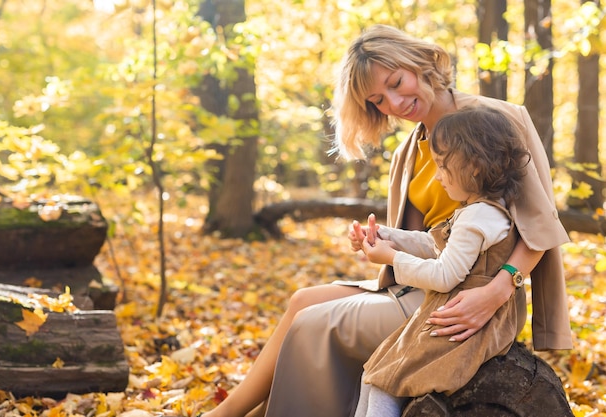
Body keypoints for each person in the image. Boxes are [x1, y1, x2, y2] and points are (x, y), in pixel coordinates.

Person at [202, 24, 571, 417]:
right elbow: (424, 240)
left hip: (473, 294)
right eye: (378, 100)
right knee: (302, 302)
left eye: (396, 83)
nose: (394, 103)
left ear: (421, 63)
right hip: (429, 281)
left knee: (315, 324)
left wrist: (495, 292)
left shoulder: (496, 119)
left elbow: (540, 226)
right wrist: (378, 243)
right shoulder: (408, 152)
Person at [353, 105, 530, 417]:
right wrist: (385, 234)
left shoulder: (480, 216)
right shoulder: (477, 209)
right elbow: (434, 244)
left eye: (442, 166)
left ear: (474, 166)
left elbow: (444, 275)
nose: (436, 176)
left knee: (385, 379)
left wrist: (391, 257)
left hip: (465, 324)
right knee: (374, 374)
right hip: (446, 313)